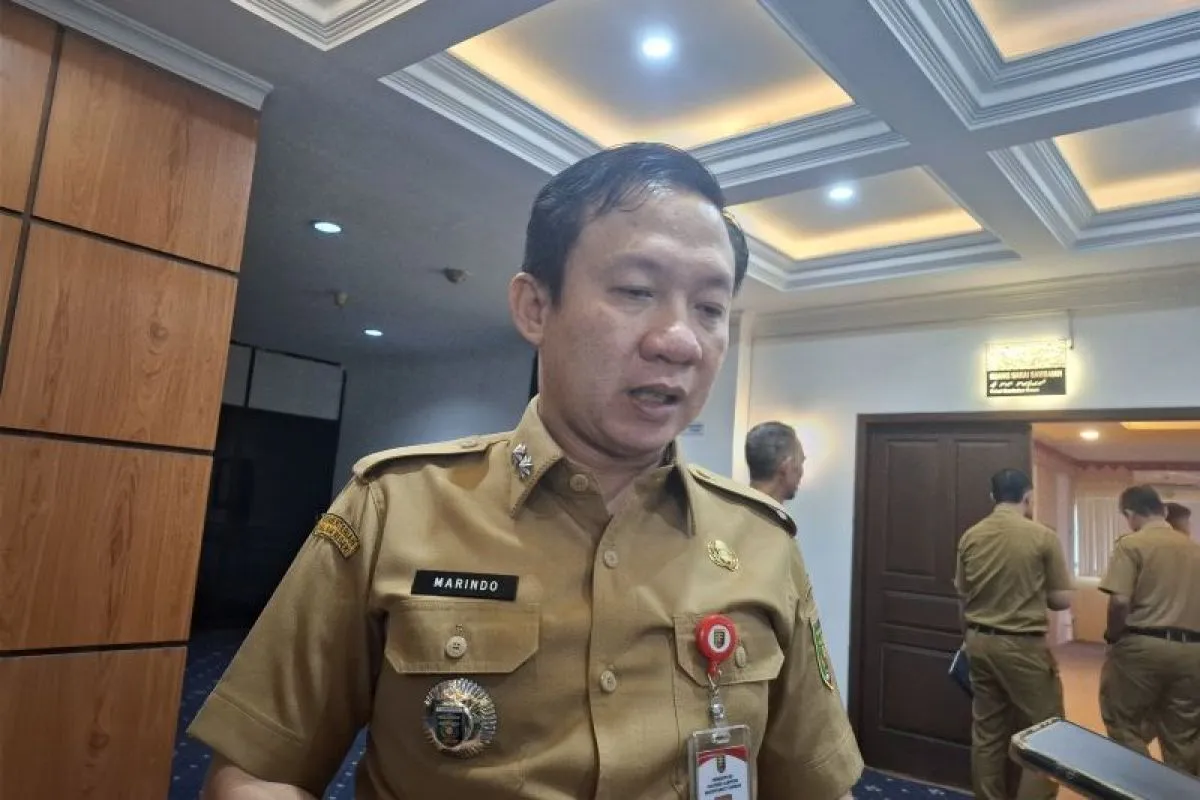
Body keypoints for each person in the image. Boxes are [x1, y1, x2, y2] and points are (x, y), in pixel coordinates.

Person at [189, 143, 864, 800]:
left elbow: (818, 786)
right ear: (536, 307)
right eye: (637, 291)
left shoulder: (762, 542)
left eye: (711, 308)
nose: (680, 341)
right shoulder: (391, 509)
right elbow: (256, 770)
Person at [955, 468, 1074, 800]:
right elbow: (1061, 600)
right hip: (1022, 645)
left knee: (987, 733)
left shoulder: (971, 536)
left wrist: (969, 639)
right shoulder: (1042, 536)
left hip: (979, 641)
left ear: (992, 497)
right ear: (1028, 497)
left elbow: (962, 596)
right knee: (1048, 733)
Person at [1099, 486, 1200, 776]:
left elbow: (1120, 601)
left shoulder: (1131, 545)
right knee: (1184, 735)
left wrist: (1113, 636)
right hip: (1192, 651)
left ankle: (1138, 788)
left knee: (1124, 724)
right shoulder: (1194, 549)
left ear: (1130, 514)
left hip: (1142, 646)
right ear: (1164, 511)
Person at [744, 420, 805, 505]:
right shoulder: (767, 513)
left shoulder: (730, 509)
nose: (801, 473)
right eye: (801, 462)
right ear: (786, 467)